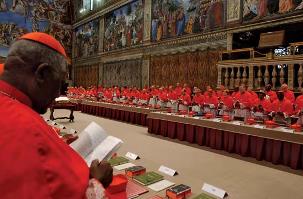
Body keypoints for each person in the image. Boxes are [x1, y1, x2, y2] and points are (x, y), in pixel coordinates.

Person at [0, 32, 112, 198]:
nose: (59, 93)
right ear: (42, 74)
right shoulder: (30, 131)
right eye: (60, 83)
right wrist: (97, 181)